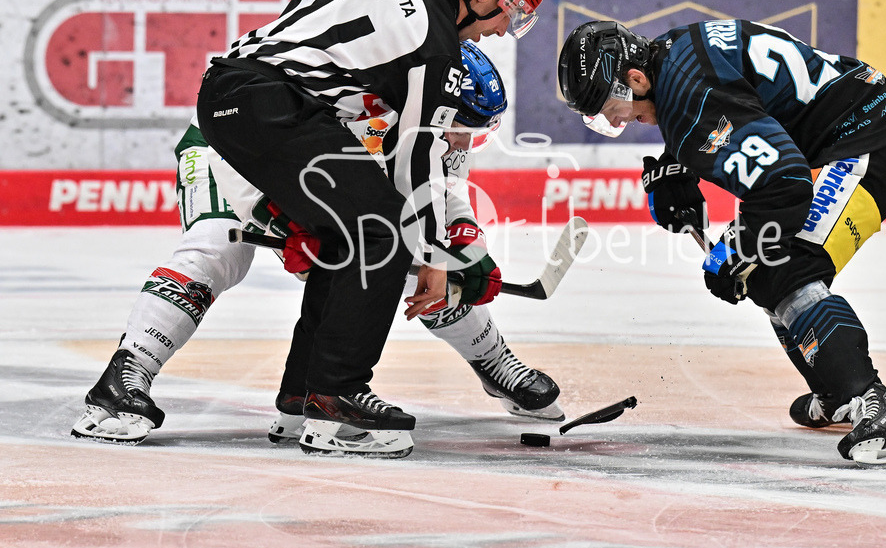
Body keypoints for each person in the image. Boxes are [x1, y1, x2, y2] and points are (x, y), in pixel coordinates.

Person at [70, 40, 562, 450]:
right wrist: (288, 220)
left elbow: (437, 195)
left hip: (313, 172)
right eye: (460, 131)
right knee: (218, 249)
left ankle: (489, 363)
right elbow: (276, 148)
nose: (462, 145)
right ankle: (122, 379)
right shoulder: (366, 99)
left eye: (474, 137)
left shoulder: (430, 116)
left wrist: (465, 245)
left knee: (421, 253)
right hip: (233, 151)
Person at [556, 18, 886, 468]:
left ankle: (878, 410)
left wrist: (738, 249)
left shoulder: (683, 101)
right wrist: (677, 161)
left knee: (781, 264)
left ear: (635, 78)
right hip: (849, 125)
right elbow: (732, 98)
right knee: (763, 266)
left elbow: (783, 183)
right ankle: (837, 390)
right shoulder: (670, 51)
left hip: (864, 142)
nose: (615, 119)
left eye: (608, 107)